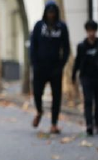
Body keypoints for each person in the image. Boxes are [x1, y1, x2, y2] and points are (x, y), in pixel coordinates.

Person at [30, 1, 70, 133]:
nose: (51, 15)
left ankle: (54, 123)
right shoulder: (38, 26)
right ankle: (39, 111)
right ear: (45, 13)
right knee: (37, 93)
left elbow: (66, 48)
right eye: (49, 12)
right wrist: (34, 63)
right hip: (40, 67)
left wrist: (61, 65)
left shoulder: (62, 27)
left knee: (56, 96)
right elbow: (33, 46)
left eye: (53, 12)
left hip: (55, 69)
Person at [72, 20, 98, 136]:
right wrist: (73, 74)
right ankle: (89, 124)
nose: (91, 33)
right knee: (88, 101)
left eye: (93, 30)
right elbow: (77, 61)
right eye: (89, 31)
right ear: (86, 31)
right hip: (85, 77)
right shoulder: (81, 46)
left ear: (96, 31)